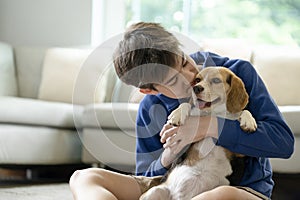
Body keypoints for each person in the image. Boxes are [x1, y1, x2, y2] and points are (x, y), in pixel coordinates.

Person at [69, 22, 294, 200]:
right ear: (149, 90)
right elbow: (147, 174)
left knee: (219, 197)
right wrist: (169, 154)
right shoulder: (150, 108)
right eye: (174, 80)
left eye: (185, 62)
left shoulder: (237, 73)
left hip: (237, 188)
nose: (190, 78)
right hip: (172, 184)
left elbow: (283, 143)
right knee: (83, 177)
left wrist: (209, 127)